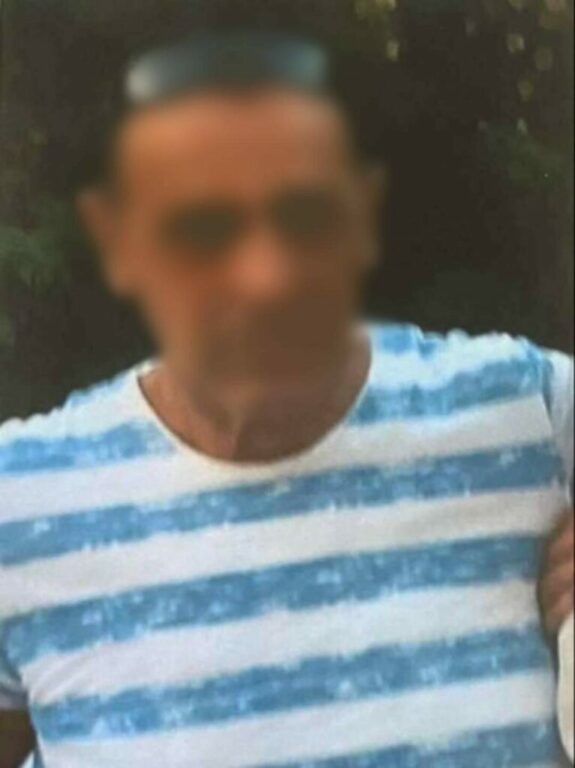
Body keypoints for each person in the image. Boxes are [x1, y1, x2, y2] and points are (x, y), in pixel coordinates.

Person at [0, 30, 573, 768]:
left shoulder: (527, 412)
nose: (265, 275)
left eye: (305, 216)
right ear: (119, 241)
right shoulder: (20, 498)